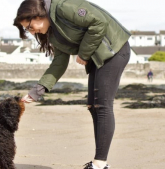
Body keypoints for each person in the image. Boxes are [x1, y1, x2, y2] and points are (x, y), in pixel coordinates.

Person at [14, 0, 131, 168]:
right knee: (92, 106)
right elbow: (59, 63)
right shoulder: (54, 32)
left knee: (102, 106)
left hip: (114, 50)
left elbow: (99, 22)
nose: (32, 32)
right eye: (27, 30)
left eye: (30, 27)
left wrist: (83, 54)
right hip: (97, 57)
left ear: (37, 14)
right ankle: (100, 163)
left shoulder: (62, 7)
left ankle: (99, 164)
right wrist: (36, 92)